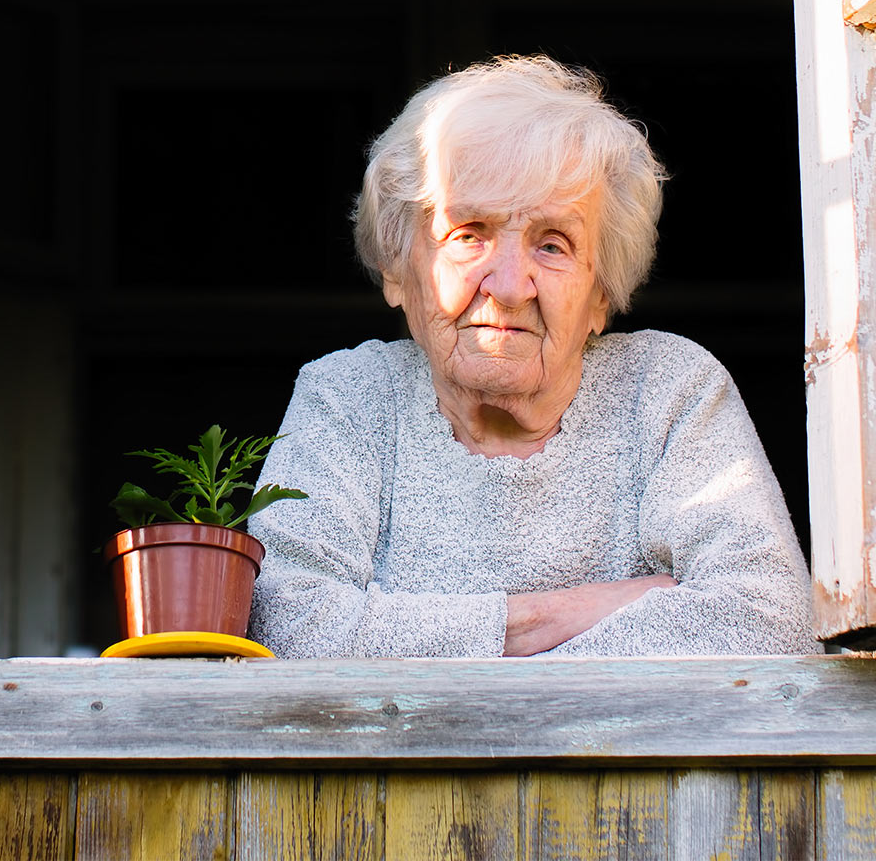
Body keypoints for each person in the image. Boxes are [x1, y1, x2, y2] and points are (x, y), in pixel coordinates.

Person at [247, 55, 817, 657]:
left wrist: (418, 648)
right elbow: (289, 628)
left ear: (601, 294)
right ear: (397, 266)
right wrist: (553, 617)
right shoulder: (349, 397)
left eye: (553, 244)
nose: (512, 285)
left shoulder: (668, 389)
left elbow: (768, 620)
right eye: (469, 233)